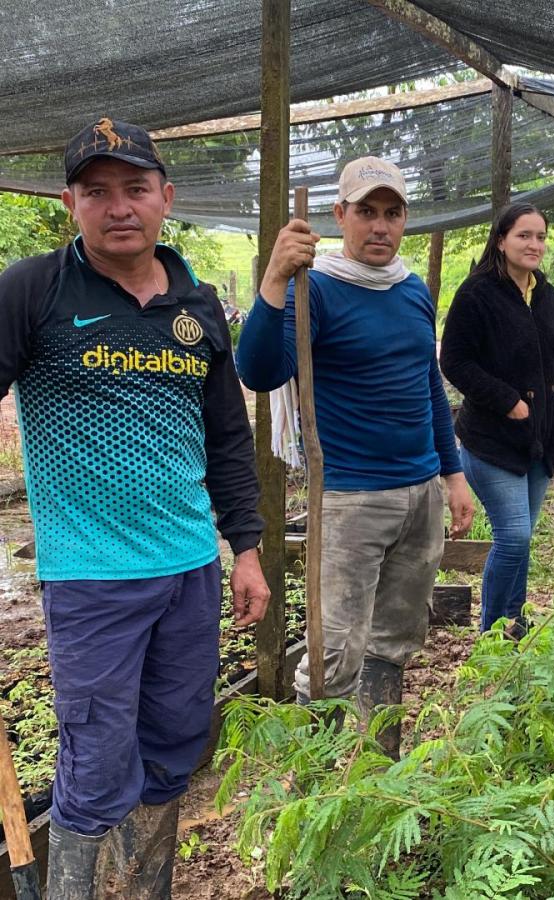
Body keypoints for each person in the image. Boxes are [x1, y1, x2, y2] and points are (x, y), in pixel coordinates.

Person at [0, 118, 269, 896]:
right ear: (70, 204)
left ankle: (146, 885)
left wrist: (247, 551)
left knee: (176, 743)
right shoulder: (35, 290)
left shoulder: (197, 305)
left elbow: (227, 437)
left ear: (166, 198)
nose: (119, 207)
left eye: (135, 188)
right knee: (95, 760)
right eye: (97, 192)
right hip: (91, 577)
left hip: (189, 568)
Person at [236, 156, 472, 752]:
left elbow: (428, 386)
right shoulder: (314, 289)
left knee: (394, 640)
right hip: (349, 498)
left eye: (392, 213)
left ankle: (378, 768)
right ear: (340, 215)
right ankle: (314, 783)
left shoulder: (412, 290)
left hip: (420, 494)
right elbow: (259, 371)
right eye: (367, 212)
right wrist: (273, 280)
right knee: (334, 651)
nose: (380, 226)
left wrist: (452, 475)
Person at [439, 202, 554, 635]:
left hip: (540, 440)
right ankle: (492, 632)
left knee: (520, 540)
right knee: (514, 535)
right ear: (501, 240)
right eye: (524, 235)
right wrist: (507, 401)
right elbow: (454, 362)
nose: (534, 244)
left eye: (541, 236)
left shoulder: (548, 296)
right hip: (492, 440)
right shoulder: (476, 294)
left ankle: (514, 623)